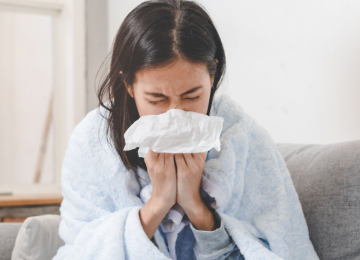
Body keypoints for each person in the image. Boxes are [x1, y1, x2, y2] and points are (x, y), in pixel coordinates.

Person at [53, 0, 319, 259]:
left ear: (212, 77)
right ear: (129, 85)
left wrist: (195, 205)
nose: (176, 116)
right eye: (157, 99)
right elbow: (82, 250)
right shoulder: (92, 141)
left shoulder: (242, 137)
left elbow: (279, 245)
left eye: (192, 97)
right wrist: (159, 202)